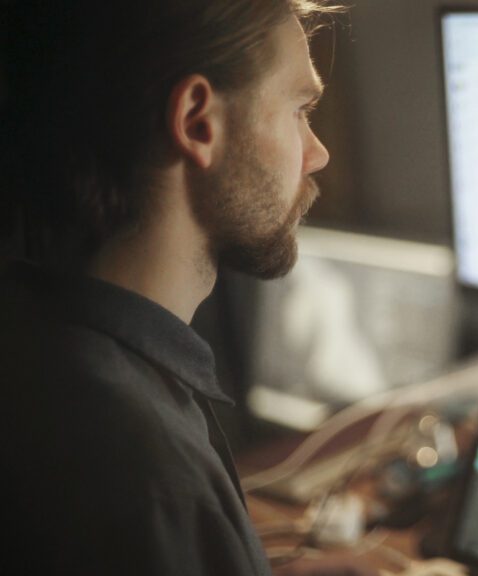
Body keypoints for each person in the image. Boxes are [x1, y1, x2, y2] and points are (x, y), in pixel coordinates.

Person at [0, 1, 348, 574]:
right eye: (299, 109)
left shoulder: (34, 339)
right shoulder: (150, 472)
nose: (318, 152)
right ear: (197, 123)